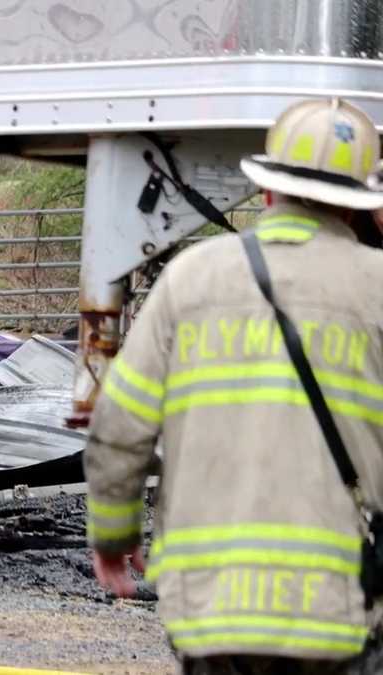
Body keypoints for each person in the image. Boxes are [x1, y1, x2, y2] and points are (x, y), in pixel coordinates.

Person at [85, 98, 383, 673]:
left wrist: (113, 536)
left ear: (268, 191)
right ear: (356, 208)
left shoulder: (190, 280)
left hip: (209, 608)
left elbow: (119, 428)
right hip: (338, 611)